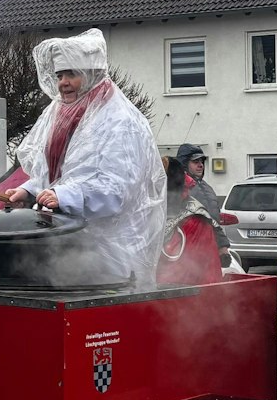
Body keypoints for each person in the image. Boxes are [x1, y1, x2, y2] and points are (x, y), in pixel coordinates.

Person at [9, 29, 165, 286]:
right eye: (60, 75)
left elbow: (117, 190)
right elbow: (57, 175)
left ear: (92, 75)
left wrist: (64, 196)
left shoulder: (120, 121)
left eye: (72, 74)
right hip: (72, 249)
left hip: (114, 255)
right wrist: (28, 190)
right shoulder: (65, 113)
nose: (63, 83)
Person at [168, 143, 222, 219]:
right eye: (196, 161)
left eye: (202, 161)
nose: (201, 165)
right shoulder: (178, 186)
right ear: (185, 164)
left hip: (211, 230)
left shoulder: (206, 186)